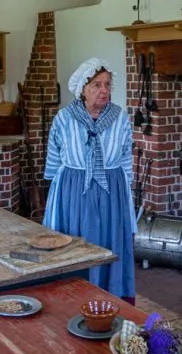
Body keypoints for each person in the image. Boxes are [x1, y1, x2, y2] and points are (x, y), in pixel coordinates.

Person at [43, 57, 136, 304]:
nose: (103, 90)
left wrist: (127, 192)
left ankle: (111, 298)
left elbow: (127, 157)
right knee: (75, 241)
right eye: (96, 84)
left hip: (111, 190)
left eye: (107, 84)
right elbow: (53, 158)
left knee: (109, 243)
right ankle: (73, 298)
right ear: (82, 89)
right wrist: (56, 198)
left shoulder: (120, 117)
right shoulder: (64, 118)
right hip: (74, 190)